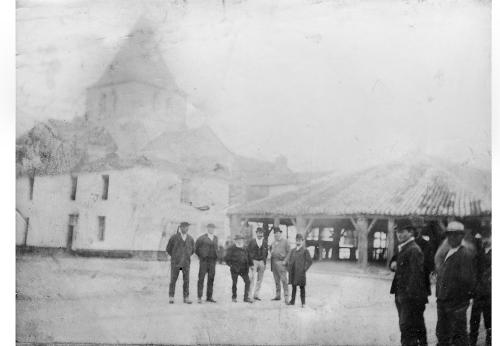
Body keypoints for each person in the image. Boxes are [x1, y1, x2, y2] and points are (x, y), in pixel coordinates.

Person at [435, 221, 476, 346]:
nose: (452, 238)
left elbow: (467, 281)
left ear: (461, 236)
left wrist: (460, 304)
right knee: (442, 335)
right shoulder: (447, 252)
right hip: (443, 301)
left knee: (459, 337)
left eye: (456, 235)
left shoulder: (465, 254)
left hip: (456, 304)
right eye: (450, 235)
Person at [390, 225, 429, 346]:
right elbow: (395, 262)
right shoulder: (404, 247)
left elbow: (415, 277)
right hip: (402, 295)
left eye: (402, 232)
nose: (399, 235)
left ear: (411, 232)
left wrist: (408, 297)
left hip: (409, 297)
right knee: (408, 328)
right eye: (397, 232)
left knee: (407, 329)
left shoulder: (413, 249)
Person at [469, 226, 491, 346]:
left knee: (489, 321)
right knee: (474, 321)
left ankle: (490, 341)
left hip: (489, 292)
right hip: (479, 292)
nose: (484, 240)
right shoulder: (478, 252)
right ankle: (472, 341)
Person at [166, 221, 195, 304]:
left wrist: (186, 256)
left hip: (186, 263)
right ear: (180, 228)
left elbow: (192, 250)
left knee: (186, 280)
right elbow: (168, 249)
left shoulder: (190, 239)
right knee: (173, 280)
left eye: (187, 227)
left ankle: (186, 298)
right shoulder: (174, 237)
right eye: (183, 227)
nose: (185, 228)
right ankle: (171, 297)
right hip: (176, 263)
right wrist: (175, 256)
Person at [224, 234, 254, 303]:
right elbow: (226, 258)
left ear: (242, 240)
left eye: (241, 240)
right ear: (235, 241)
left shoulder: (245, 248)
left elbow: (249, 257)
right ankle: (234, 297)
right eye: (238, 240)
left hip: (244, 269)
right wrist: (231, 265)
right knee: (234, 283)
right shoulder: (231, 248)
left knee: (248, 282)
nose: (239, 241)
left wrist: (251, 265)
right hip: (235, 269)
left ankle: (246, 298)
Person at [195, 223, 219, 304]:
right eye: (210, 228)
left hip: (212, 261)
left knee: (211, 279)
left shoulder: (215, 238)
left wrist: (216, 256)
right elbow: (196, 248)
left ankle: (209, 297)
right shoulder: (202, 238)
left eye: (213, 228)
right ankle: (199, 297)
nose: (211, 229)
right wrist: (201, 256)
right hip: (204, 261)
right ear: (207, 228)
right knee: (201, 278)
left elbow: (216, 248)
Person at [287, 233, 312, 308]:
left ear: (302, 241)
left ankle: (303, 303)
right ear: (295, 241)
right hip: (294, 272)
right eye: (297, 240)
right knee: (293, 287)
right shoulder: (293, 250)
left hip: (301, 273)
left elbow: (310, 261)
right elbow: (290, 260)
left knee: (302, 288)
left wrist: (304, 269)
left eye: (300, 240)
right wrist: (289, 269)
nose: (298, 242)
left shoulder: (305, 250)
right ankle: (292, 301)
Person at [270, 226, 291, 304]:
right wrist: (271, 252)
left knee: (284, 281)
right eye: (275, 233)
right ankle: (278, 295)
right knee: (276, 281)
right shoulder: (273, 242)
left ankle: (286, 298)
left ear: (280, 233)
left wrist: (285, 261)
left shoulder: (285, 241)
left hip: (281, 263)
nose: (277, 235)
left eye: (278, 233)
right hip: (274, 263)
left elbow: (289, 252)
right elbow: (271, 250)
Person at [248, 227, 268, 301]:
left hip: (261, 262)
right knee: (251, 278)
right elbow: (248, 252)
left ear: (263, 234)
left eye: (261, 233)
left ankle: (256, 295)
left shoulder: (265, 242)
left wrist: (264, 262)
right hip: (254, 261)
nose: (260, 234)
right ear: (256, 233)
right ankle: (249, 295)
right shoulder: (252, 241)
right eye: (259, 233)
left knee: (260, 279)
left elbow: (266, 253)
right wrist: (250, 262)